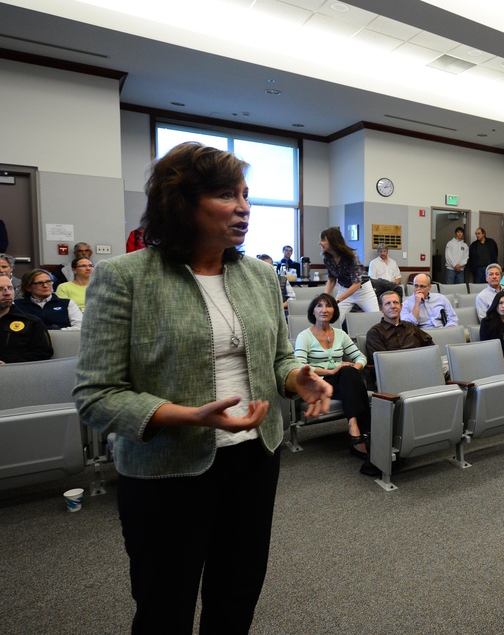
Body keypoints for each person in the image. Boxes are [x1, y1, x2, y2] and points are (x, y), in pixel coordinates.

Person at [74, 142, 331, 634]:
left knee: (237, 593)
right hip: (168, 469)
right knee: (164, 603)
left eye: (245, 195)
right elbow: (97, 394)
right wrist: (188, 415)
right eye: (225, 195)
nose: (243, 207)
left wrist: (297, 377)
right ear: (181, 202)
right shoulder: (125, 277)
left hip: (255, 457)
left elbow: (277, 357)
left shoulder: (259, 275)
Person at [294, 293, 377, 476]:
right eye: (319, 306)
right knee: (346, 373)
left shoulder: (340, 334)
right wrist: (330, 371)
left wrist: (355, 367)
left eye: (329, 306)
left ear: (334, 311)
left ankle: (354, 428)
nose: (324, 310)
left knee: (348, 371)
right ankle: (366, 434)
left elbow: (360, 357)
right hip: (318, 384)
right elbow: (300, 366)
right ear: (313, 311)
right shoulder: (304, 336)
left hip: (343, 383)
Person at [320, 227, 379, 319]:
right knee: (334, 319)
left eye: (323, 240)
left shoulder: (351, 256)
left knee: (376, 318)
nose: (320, 243)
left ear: (333, 241)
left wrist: (337, 300)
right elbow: (331, 280)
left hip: (363, 291)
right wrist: (324, 297)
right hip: (344, 289)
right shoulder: (327, 258)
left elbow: (356, 284)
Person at [364, 289, 434, 363]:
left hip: (420, 365)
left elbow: (431, 346)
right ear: (381, 309)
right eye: (388, 303)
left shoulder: (411, 327)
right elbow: (381, 361)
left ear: (401, 307)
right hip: (395, 370)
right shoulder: (375, 333)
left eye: (396, 302)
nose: (393, 306)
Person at [0, 273, 52, 364]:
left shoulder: (31, 322)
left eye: (10, 288)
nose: (7, 293)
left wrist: (8, 362)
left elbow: (43, 353)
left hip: (15, 372)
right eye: (0, 289)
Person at [14, 269, 82, 330]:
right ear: (28, 287)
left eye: (49, 282)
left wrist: (58, 331)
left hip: (61, 339)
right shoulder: (17, 305)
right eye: (40, 283)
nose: (46, 286)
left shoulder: (67, 304)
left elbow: (79, 327)